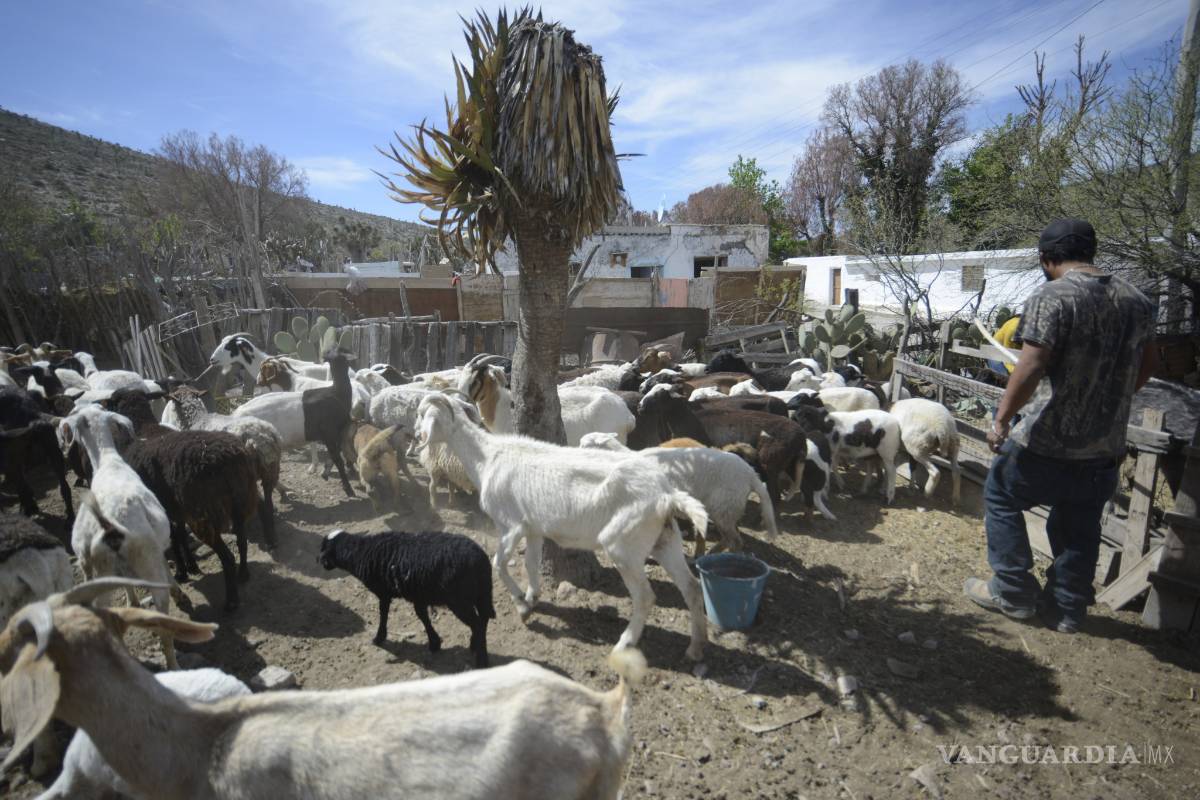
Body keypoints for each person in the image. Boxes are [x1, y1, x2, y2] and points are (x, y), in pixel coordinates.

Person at [964, 218, 1158, 633]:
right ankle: (1068, 609)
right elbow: (1148, 365)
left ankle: (1012, 592)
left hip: (1047, 440)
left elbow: (1031, 364)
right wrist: (1112, 401)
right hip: (1104, 446)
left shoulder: (1052, 296)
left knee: (1000, 495)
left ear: (1046, 258)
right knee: (1079, 522)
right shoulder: (1138, 301)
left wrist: (1001, 419)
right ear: (1091, 252)